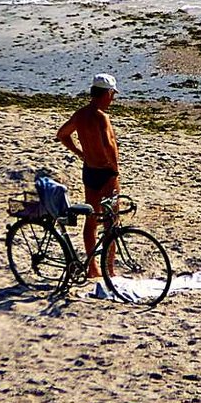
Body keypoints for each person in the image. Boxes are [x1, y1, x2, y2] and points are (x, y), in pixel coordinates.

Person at [55, 73, 121, 277]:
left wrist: (80, 153)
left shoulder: (80, 114)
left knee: (91, 221)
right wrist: (115, 169)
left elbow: (62, 134)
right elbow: (109, 145)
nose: (113, 99)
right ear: (107, 94)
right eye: (112, 95)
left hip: (89, 171)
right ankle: (109, 269)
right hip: (106, 173)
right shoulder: (102, 117)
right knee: (112, 220)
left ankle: (93, 268)